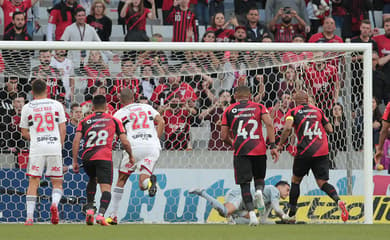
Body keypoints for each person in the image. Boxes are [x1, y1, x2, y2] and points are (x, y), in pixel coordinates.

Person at [277, 90, 349, 223]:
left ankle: (291, 214)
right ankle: (338, 201)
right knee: (322, 183)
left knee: (295, 181)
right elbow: (330, 129)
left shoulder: (292, 112)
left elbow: (287, 128)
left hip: (304, 151)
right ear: (307, 99)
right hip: (321, 151)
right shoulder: (318, 111)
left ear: (295, 101)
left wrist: (281, 144)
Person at [220, 86, 279, 226]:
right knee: (259, 179)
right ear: (250, 96)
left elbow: (223, 136)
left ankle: (252, 216)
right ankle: (259, 191)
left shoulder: (228, 110)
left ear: (235, 96)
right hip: (259, 149)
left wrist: (233, 143)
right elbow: (270, 124)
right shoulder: (259, 107)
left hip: (241, 151)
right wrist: (273, 146)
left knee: (244, 185)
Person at [72, 95, 134, 226]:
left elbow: (76, 141)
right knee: (106, 188)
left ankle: (89, 209)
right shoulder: (114, 120)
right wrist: (131, 156)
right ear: (106, 107)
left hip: (87, 157)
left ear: (93, 107)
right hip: (104, 157)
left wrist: (74, 161)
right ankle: (100, 215)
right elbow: (125, 142)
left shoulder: (84, 121)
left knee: (92, 179)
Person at [105, 88, 164, 225]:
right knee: (143, 184)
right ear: (134, 97)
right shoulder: (147, 107)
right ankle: (149, 182)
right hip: (152, 147)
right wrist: (156, 139)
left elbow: (113, 132)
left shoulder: (120, 113)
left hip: (134, 147)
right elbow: (161, 122)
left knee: (122, 179)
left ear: (120, 100)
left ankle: (113, 216)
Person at [20, 79, 67, 225]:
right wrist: (59, 145)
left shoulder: (27, 107)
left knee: (33, 181)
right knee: (57, 182)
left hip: (37, 148)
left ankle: (29, 217)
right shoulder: (56, 104)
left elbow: (23, 132)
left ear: (32, 92)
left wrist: (35, 139)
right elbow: (63, 129)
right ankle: (54, 204)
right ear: (47, 90)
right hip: (54, 146)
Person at [189, 181, 291, 224]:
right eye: (287, 190)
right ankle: (202, 193)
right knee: (225, 211)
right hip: (239, 196)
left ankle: (232, 217)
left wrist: (279, 222)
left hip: (245, 205)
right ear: (279, 187)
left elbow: (263, 220)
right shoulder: (274, 190)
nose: (288, 193)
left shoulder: (269, 200)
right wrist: (286, 218)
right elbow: (277, 209)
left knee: (250, 219)